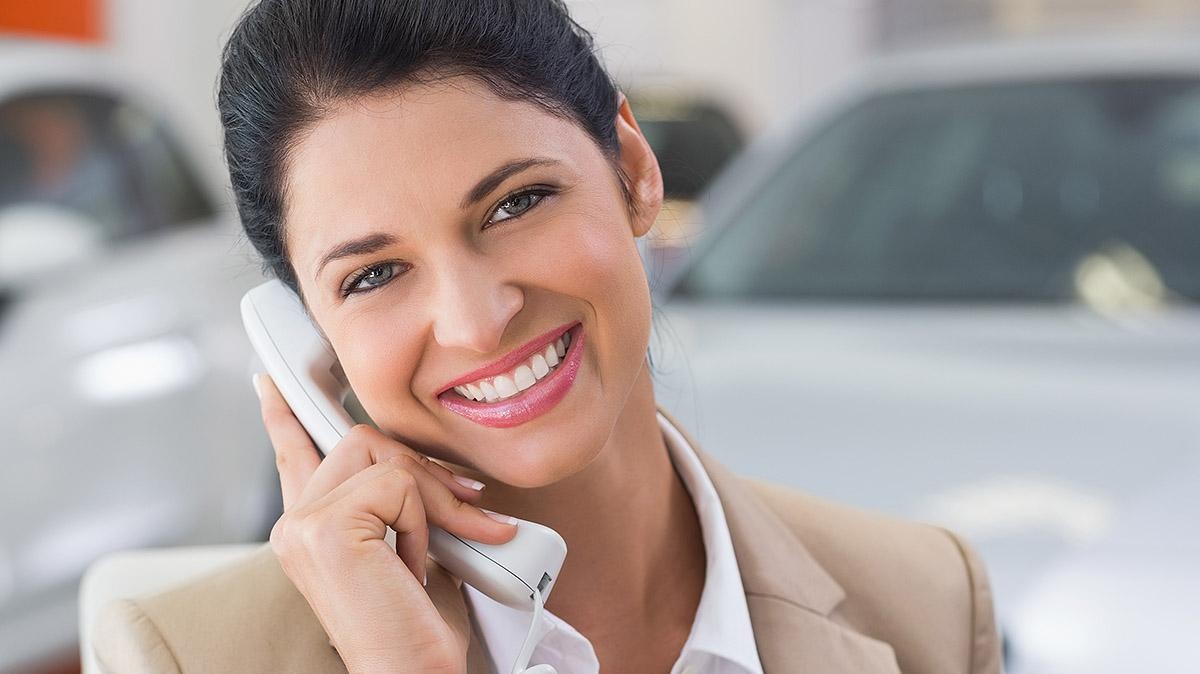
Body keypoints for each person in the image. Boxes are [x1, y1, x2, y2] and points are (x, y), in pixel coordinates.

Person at [92, 1, 1003, 672]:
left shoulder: (927, 599)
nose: (475, 320)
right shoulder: (184, 658)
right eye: (373, 275)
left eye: (515, 203)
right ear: (306, 338)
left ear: (633, 169)